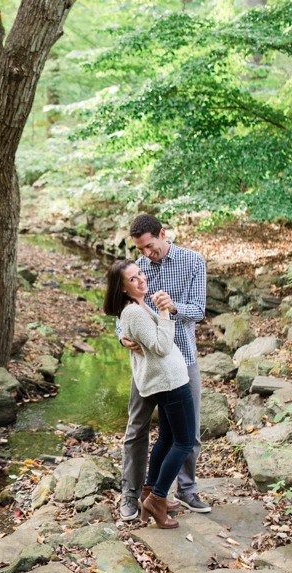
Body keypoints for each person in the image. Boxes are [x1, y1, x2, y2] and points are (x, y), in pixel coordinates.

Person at [117, 213, 209, 518]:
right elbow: (123, 312)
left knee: (188, 432)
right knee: (137, 429)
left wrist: (173, 307)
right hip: (148, 364)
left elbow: (198, 310)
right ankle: (133, 494)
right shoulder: (138, 269)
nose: (146, 254)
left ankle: (186, 490)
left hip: (183, 359)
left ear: (162, 233)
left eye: (149, 246)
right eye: (140, 249)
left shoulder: (193, 261)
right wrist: (122, 338)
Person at [103, 259, 196, 528]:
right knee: (183, 442)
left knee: (167, 438)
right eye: (133, 279)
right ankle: (156, 499)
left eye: (140, 274)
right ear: (122, 288)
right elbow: (161, 346)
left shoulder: (139, 305)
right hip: (170, 383)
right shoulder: (133, 311)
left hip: (169, 379)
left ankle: (149, 491)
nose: (141, 279)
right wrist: (165, 312)